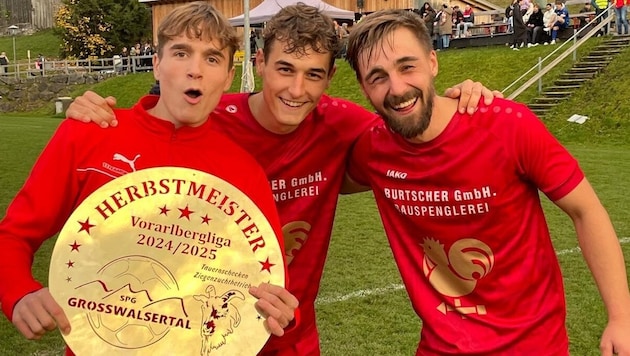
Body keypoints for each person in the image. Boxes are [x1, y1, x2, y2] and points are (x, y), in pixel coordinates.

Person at [63, 4, 501, 355]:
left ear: (330, 78)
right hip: (204, 333)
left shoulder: (343, 125)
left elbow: (412, 137)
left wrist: (465, 98)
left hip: (292, 337)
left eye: (313, 75)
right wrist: (93, 113)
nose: (296, 90)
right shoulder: (209, 118)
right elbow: (149, 134)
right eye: (285, 69)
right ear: (259, 62)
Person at [0, 2, 298, 355]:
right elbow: (14, 235)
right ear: (156, 64)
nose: (195, 71)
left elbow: (268, 281)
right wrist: (18, 291)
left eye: (212, 59)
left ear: (229, 77)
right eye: (181, 53)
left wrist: (277, 308)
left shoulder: (244, 172)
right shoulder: (90, 134)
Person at [344, 9, 630, 355]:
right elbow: (323, 179)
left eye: (408, 66)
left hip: (532, 347)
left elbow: (586, 211)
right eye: (378, 77)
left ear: (432, 62)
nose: (398, 88)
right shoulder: (374, 149)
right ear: (362, 86)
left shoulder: (508, 126)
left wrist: (621, 317)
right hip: (440, 347)